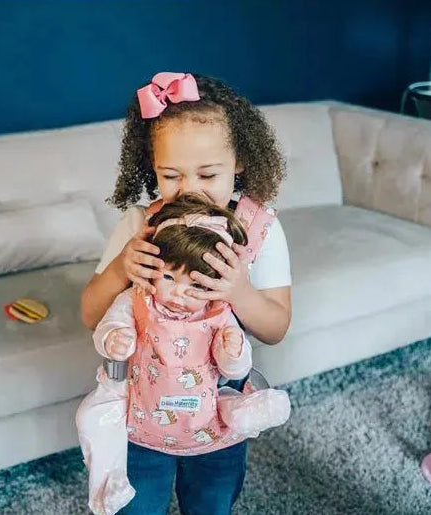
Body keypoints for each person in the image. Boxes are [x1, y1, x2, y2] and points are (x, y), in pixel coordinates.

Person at [80, 72, 292, 514]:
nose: (190, 189)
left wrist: (239, 291)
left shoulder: (260, 230)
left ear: (240, 161)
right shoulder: (140, 225)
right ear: (151, 167)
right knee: (136, 505)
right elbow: (90, 313)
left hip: (218, 417)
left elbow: (275, 328)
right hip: (140, 416)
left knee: (212, 503)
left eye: (208, 173)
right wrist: (121, 268)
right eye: (171, 175)